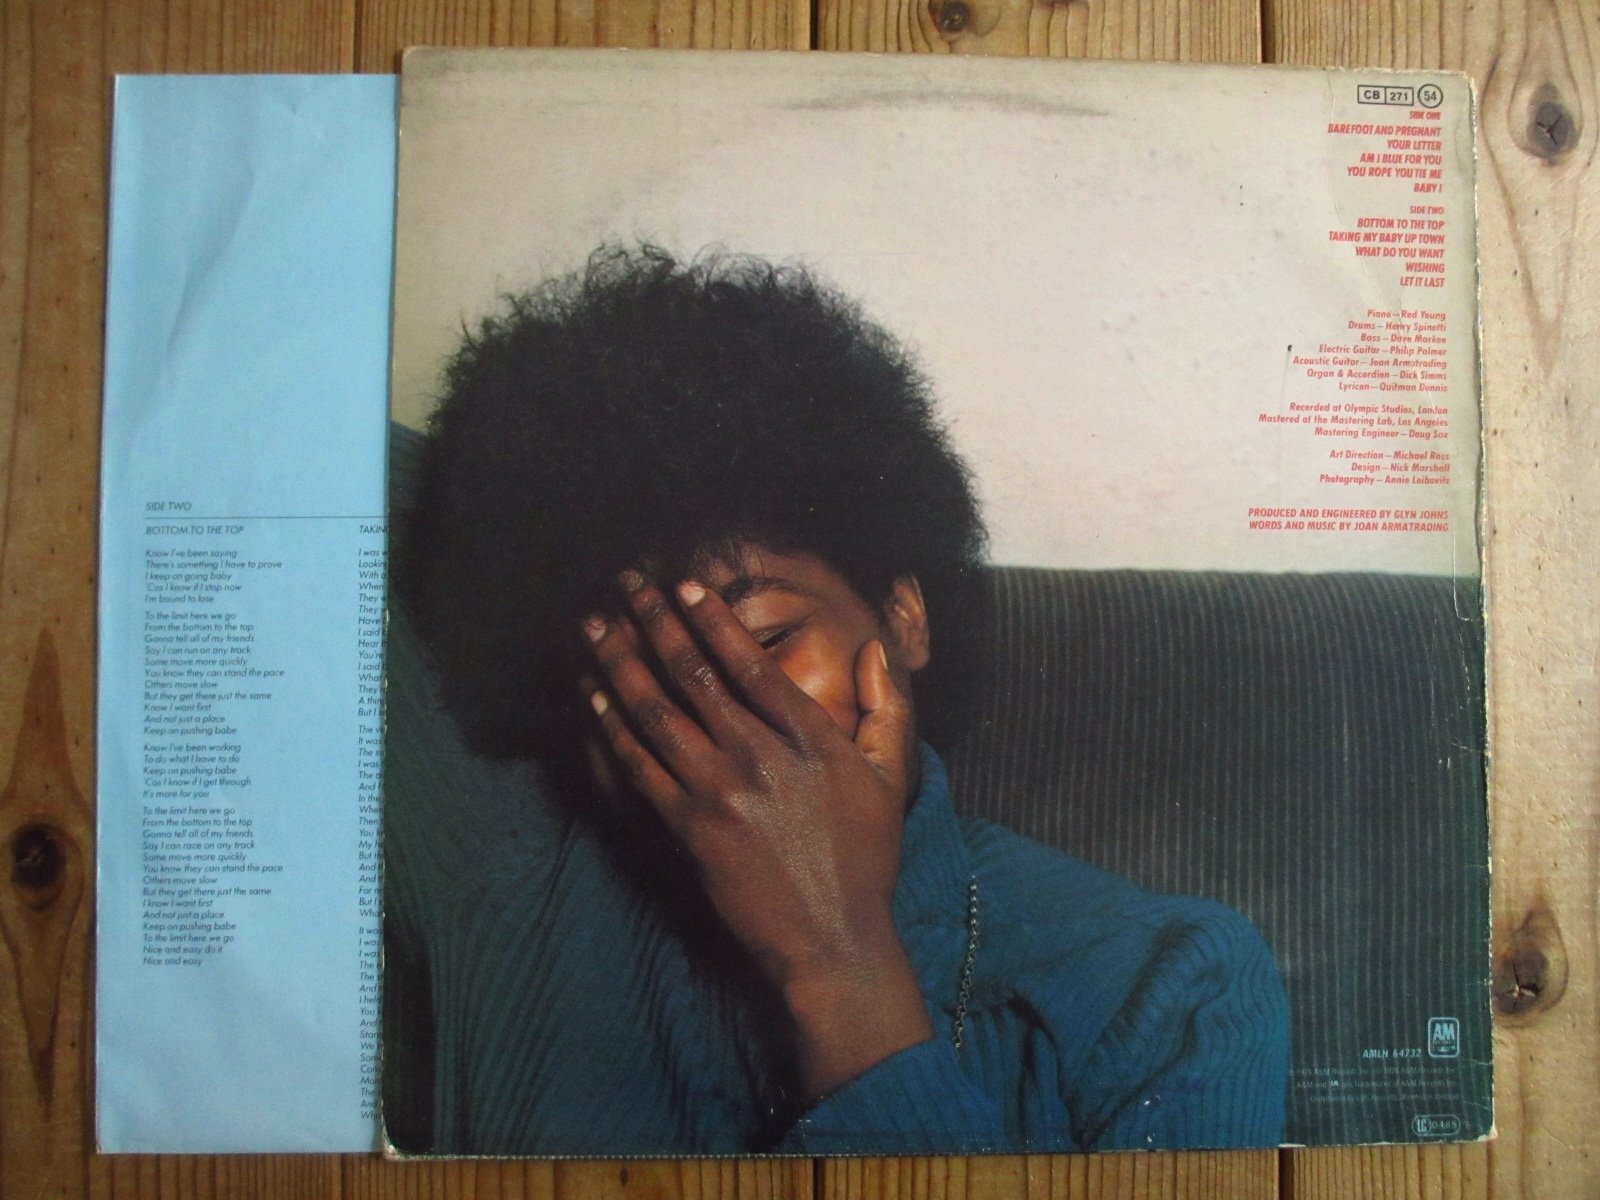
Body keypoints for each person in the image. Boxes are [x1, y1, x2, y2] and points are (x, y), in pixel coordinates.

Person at [390, 245, 1290, 1155]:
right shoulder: (500, 876)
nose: (718, 714)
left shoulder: (1170, 985)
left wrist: (835, 954)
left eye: (767, 640)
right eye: (646, 674)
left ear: (904, 620)